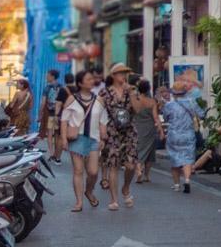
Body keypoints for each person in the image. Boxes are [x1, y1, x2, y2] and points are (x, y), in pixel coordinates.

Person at [61, 69, 105, 211]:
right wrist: (63, 139)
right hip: (77, 138)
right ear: (80, 83)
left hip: (94, 139)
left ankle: (89, 191)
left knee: (93, 172)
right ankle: (79, 202)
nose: (92, 81)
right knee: (78, 171)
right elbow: (63, 120)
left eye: (92, 79)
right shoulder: (72, 99)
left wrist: (103, 137)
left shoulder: (98, 99)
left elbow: (103, 120)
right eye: (88, 79)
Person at [99, 64, 140, 210]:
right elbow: (100, 113)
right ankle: (114, 199)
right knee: (113, 165)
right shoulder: (105, 93)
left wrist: (131, 94)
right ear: (114, 76)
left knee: (131, 165)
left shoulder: (132, 91)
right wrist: (101, 132)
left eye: (125, 73)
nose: (124, 76)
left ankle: (126, 188)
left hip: (129, 131)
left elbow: (137, 109)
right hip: (112, 131)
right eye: (121, 73)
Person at [160, 75, 206, 193]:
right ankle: (186, 180)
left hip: (174, 135)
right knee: (187, 159)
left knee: (175, 159)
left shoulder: (169, 105)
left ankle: (176, 184)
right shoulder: (192, 103)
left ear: (174, 93)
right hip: (188, 134)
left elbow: (165, 118)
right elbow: (201, 114)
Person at [131, 78, 161, 183]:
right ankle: (147, 175)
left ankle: (138, 170)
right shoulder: (152, 101)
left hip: (137, 127)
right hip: (150, 128)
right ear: (149, 89)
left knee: (138, 150)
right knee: (150, 153)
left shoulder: (135, 99)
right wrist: (161, 130)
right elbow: (156, 117)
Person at [41, 70, 68, 162]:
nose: (46, 77)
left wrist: (40, 114)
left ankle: (52, 154)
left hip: (51, 113)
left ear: (52, 76)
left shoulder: (47, 88)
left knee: (49, 134)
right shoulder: (62, 87)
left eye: (48, 75)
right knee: (57, 134)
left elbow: (43, 103)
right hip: (60, 114)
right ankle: (57, 155)